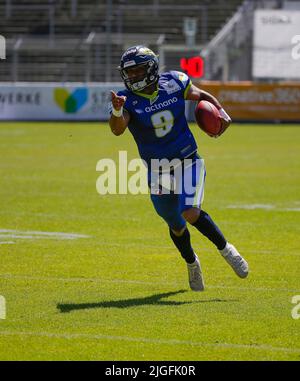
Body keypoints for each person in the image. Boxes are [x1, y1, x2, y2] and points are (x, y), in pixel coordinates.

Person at [109, 45, 248, 291]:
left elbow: (202, 96)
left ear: (151, 68)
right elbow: (118, 129)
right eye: (128, 73)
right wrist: (118, 109)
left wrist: (222, 113)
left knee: (190, 212)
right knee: (176, 225)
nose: (132, 77)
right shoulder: (126, 100)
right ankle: (192, 263)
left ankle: (227, 250)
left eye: (137, 71)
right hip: (157, 171)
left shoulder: (174, 82)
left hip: (188, 161)